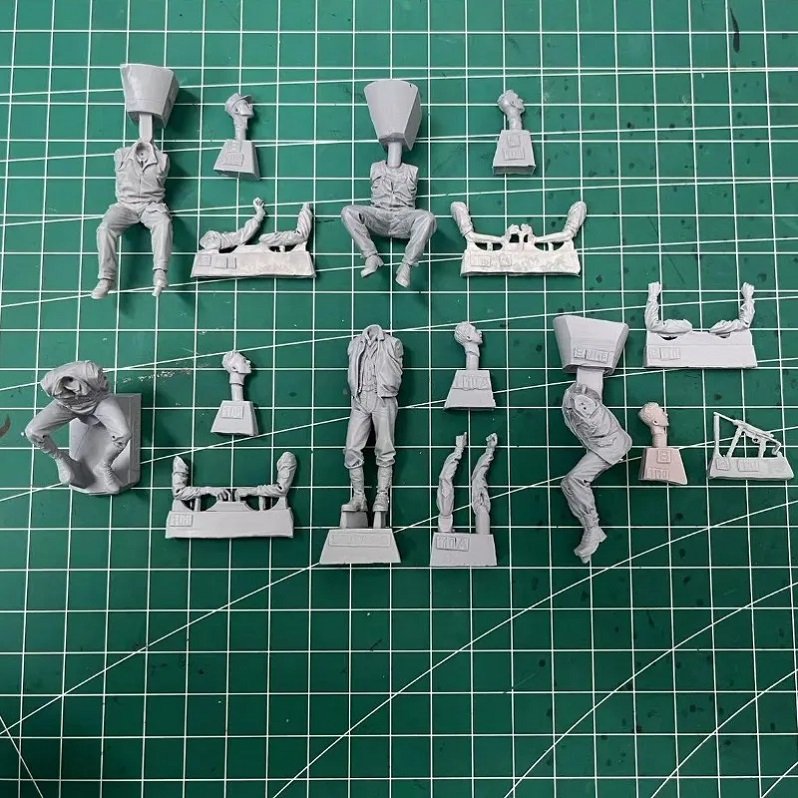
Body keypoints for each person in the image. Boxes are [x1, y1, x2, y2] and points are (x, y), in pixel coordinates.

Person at [25, 361, 131, 493]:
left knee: (123, 434)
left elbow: (104, 387)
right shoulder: (48, 383)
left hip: (98, 402)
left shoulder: (91, 373)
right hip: (68, 406)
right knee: (32, 431)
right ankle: (60, 458)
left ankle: (104, 465)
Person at [340, 148, 436, 288]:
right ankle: (371, 256)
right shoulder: (376, 168)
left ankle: (407, 265)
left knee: (428, 218)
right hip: (378, 215)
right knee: (348, 212)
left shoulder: (412, 170)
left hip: (403, 218)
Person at [561, 383, 631, 562]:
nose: (582, 407)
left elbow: (591, 424)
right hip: (599, 445)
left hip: (610, 447)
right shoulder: (574, 399)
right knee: (569, 483)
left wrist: (580, 408)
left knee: (574, 480)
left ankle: (592, 527)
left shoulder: (592, 416)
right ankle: (592, 528)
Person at [93, 140, 172, 299]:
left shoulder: (162, 159)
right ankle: (106, 278)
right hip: (125, 205)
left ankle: (160, 272)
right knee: (105, 228)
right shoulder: (121, 155)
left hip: (151, 205)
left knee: (163, 223)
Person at [342, 325, 404, 514]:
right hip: (360, 399)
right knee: (351, 448)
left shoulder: (393, 343)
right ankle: (358, 497)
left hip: (383, 399)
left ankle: (382, 496)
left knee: (385, 449)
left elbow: (396, 372)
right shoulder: (354, 344)